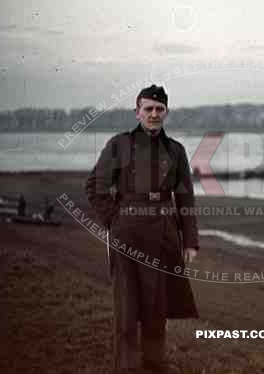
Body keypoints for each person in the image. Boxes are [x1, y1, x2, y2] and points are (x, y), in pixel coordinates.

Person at [85, 84, 199, 373]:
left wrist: (190, 242)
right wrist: (115, 219)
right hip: (126, 231)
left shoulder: (176, 150)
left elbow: (185, 197)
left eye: (159, 109)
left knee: (157, 303)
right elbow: (95, 187)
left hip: (163, 231)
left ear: (166, 113)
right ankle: (126, 367)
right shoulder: (118, 144)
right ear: (137, 112)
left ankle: (155, 362)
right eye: (148, 108)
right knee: (126, 302)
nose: (154, 114)